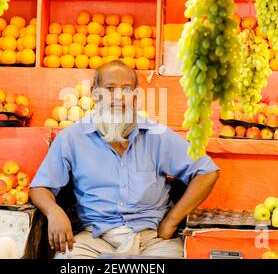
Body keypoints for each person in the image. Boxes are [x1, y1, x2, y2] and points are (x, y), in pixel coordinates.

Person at [30, 60, 220, 259]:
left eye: (127, 90)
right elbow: (40, 187)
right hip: (94, 239)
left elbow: (207, 171)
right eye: (110, 89)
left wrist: (171, 221)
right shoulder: (72, 138)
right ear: (95, 93)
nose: (118, 97)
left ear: (136, 97)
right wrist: (53, 211)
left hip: (152, 240)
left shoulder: (157, 135)